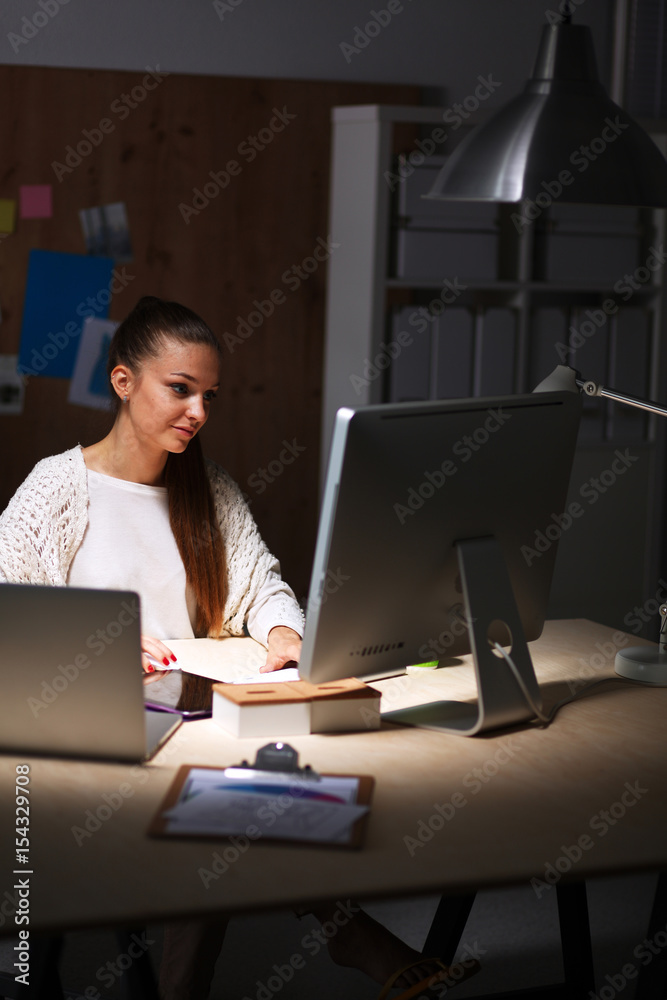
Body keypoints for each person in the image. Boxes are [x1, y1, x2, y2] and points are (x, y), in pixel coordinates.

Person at [0, 296, 478, 1000]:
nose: (198, 412)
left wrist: (284, 630)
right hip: (93, 737)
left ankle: (249, 967)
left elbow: (264, 587)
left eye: (209, 396)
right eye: (180, 389)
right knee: (222, 812)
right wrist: (103, 637)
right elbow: (16, 615)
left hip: (196, 722)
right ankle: (345, 935)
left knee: (245, 792)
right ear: (123, 380)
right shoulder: (57, 490)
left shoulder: (210, 489)